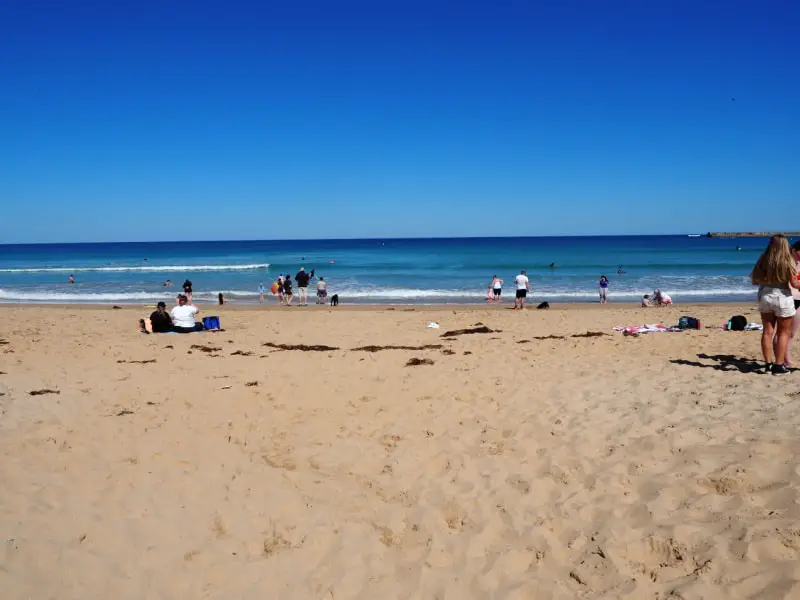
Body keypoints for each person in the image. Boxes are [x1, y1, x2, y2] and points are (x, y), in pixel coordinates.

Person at [750, 235, 800, 374]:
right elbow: (794, 284)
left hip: (766, 295)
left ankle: (768, 365)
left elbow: (754, 280)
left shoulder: (763, 259)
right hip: (783, 296)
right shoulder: (787, 261)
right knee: (783, 333)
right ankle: (778, 366)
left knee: (767, 332)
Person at [785, 241, 800, 366]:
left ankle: (786, 358)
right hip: (788, 298)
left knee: (792, 332)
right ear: (794, 250)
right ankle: (782, 359)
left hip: (798, 299)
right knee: (783, 332)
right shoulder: (788, 263)